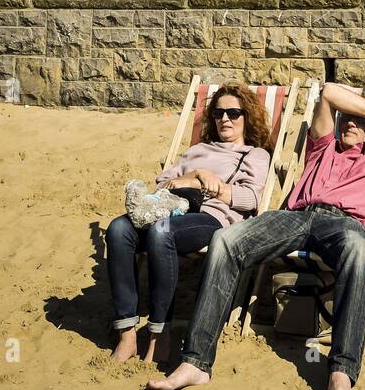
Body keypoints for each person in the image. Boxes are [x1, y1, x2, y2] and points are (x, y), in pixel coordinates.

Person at [148, 81, 365, 390]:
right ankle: (195, 362)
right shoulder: (323, 145)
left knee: (356, 251)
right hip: (296, 216)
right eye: (347, 117)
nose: (351, 121)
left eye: (360, 120)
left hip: (346, 225)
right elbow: (328, 93)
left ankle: (341, 372)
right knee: (225, 239)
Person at [106, 83, 271, 365]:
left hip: (212, 218)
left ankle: (160, 334)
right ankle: (127, 335)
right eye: (219, 114)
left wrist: (212, 187)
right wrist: (196, 173)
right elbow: (162, 183)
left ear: (247, 117)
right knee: (118, 229)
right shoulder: (197, 149)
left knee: (161, 232)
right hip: (170, 208)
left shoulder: (254, 154)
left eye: (234, 112)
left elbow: (250, 199)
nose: (225, 119)